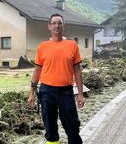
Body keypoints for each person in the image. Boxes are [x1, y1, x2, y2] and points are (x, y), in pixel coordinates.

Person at [27, 13, 84, 144]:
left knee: (72, 127)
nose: (57, 25)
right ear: (49, 26)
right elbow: (37, 70)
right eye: (54, 23)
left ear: (64, 25)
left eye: (59, 23)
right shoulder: (43, 46)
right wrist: (31, 93)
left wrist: (80, 94)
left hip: (66, 91)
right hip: (47, 91)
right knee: (50, 129)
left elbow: (77, 71)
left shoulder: (72, 45)